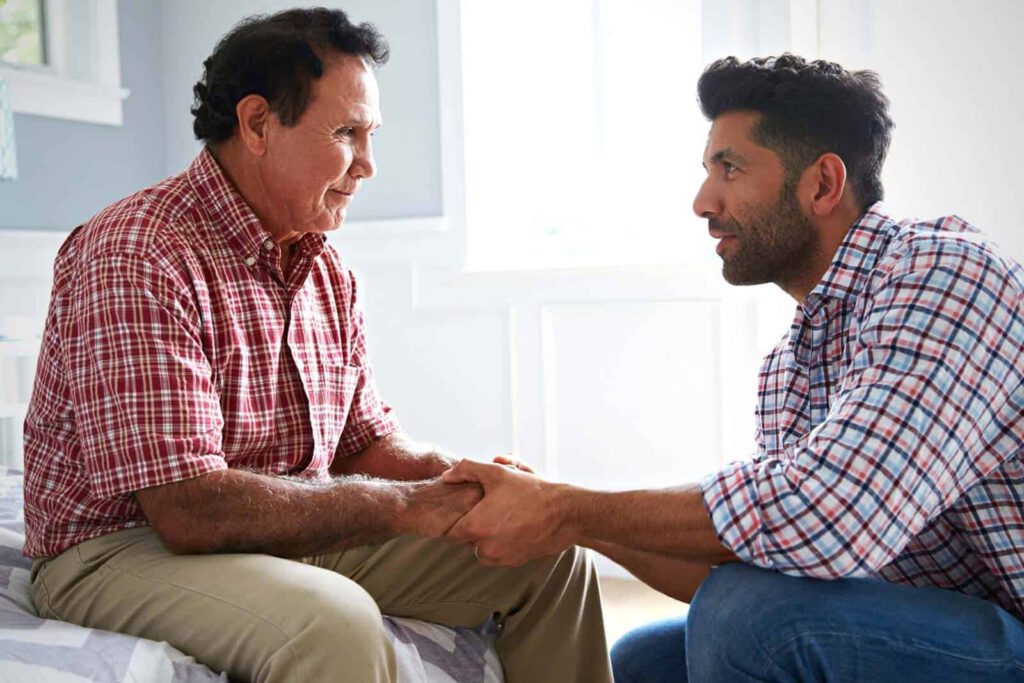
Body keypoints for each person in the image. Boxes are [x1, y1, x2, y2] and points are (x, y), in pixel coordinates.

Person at [22, 8, 610, 683]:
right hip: (120, 548)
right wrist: (403, 508)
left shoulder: (324, 268)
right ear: (257, 123)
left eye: (370, 135)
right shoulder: (137, 253)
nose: (367, 165)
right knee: (331, 620)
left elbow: (365, 443)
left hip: (279, 527)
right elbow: (187, 508)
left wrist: (465, 481)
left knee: (551, 557)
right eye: (346, 132)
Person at [443, 54, 1024, 682]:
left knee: (748, 619)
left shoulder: (942, 274)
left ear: (824, 184)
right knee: (650, 659)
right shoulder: (791, 366)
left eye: (731, 167)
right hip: (948, 626)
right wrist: (563, 518)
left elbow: (828, 514)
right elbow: (752, 563)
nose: (702, 201)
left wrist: (567, 507)